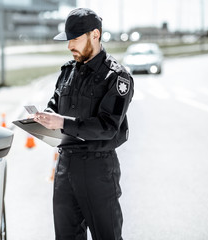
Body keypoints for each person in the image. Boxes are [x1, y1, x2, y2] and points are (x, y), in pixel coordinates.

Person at [34, 8, 134, 240]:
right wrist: (44, 117)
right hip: (65, 167)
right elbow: (54, 104)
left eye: (75, 39)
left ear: (95, 35)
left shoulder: (117, 77)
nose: (70, 46)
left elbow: (108, 126)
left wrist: (63, 122)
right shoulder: (68, 72)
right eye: (68, 40)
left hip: (97, 170)